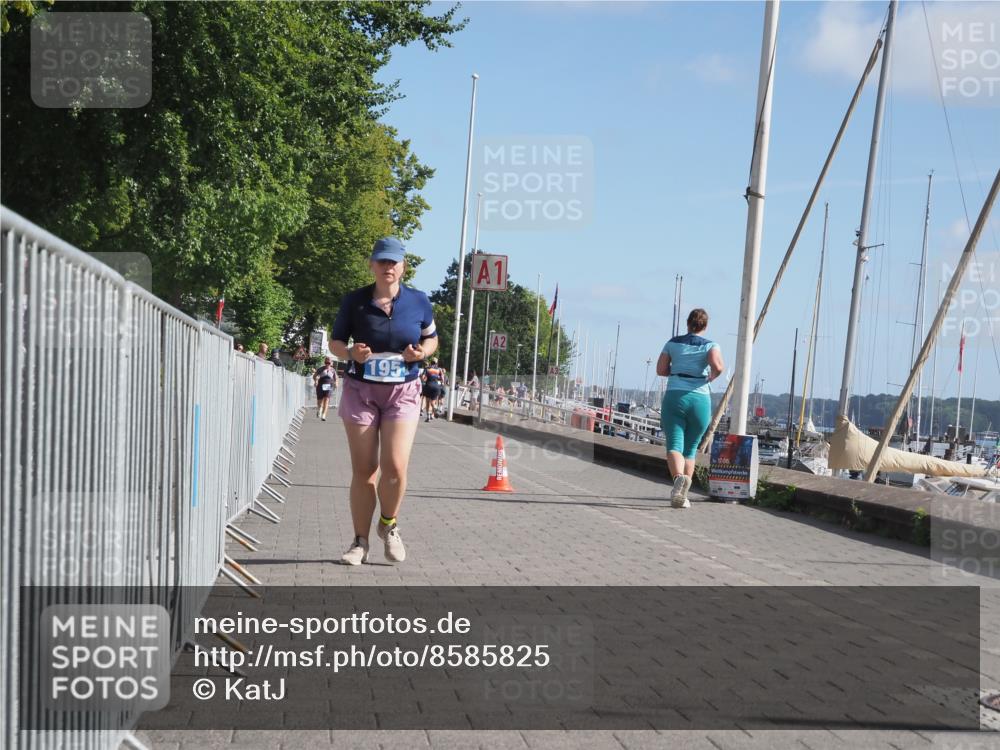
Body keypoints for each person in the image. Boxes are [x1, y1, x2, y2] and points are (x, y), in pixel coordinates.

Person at [329, 237, 438, 565]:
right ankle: (359, 542)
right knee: (365, 470)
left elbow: (431, 339)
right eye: (382, 261)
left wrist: (421, 352)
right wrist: (350, 353)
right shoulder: (355, 302)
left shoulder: (419, 301)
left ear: (404, 266)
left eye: (394, 262)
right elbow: (335, 343)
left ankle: (388, 525)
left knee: (395, 467)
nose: (388, 267)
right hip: (361, 391)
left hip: (402, 392)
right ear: (372, 265)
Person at [656, 308, 724, 508]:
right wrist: (711, 377)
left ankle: (678, 479)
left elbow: (660, 370)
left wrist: (676, 371)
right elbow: (718, 366)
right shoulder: (711, 345)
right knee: (691, 449)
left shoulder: (672, 343)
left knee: (675, 445)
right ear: (705, 326)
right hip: (700, 398)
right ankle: (684, 496)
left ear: (687, 323)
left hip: (675, 395)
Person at [313, 357, 338, 421]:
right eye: (326, 363)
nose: (327, 364)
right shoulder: (320, 369)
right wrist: (316, 381)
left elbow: (336, 378)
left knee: (327, 400)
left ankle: (324, 415)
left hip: (329, 386)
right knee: (320, 401)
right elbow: (315, 376)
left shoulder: (333, 370)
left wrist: (336, 383)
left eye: (328, 363)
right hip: (320, 386)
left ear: (331, 363)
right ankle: (319, 409)